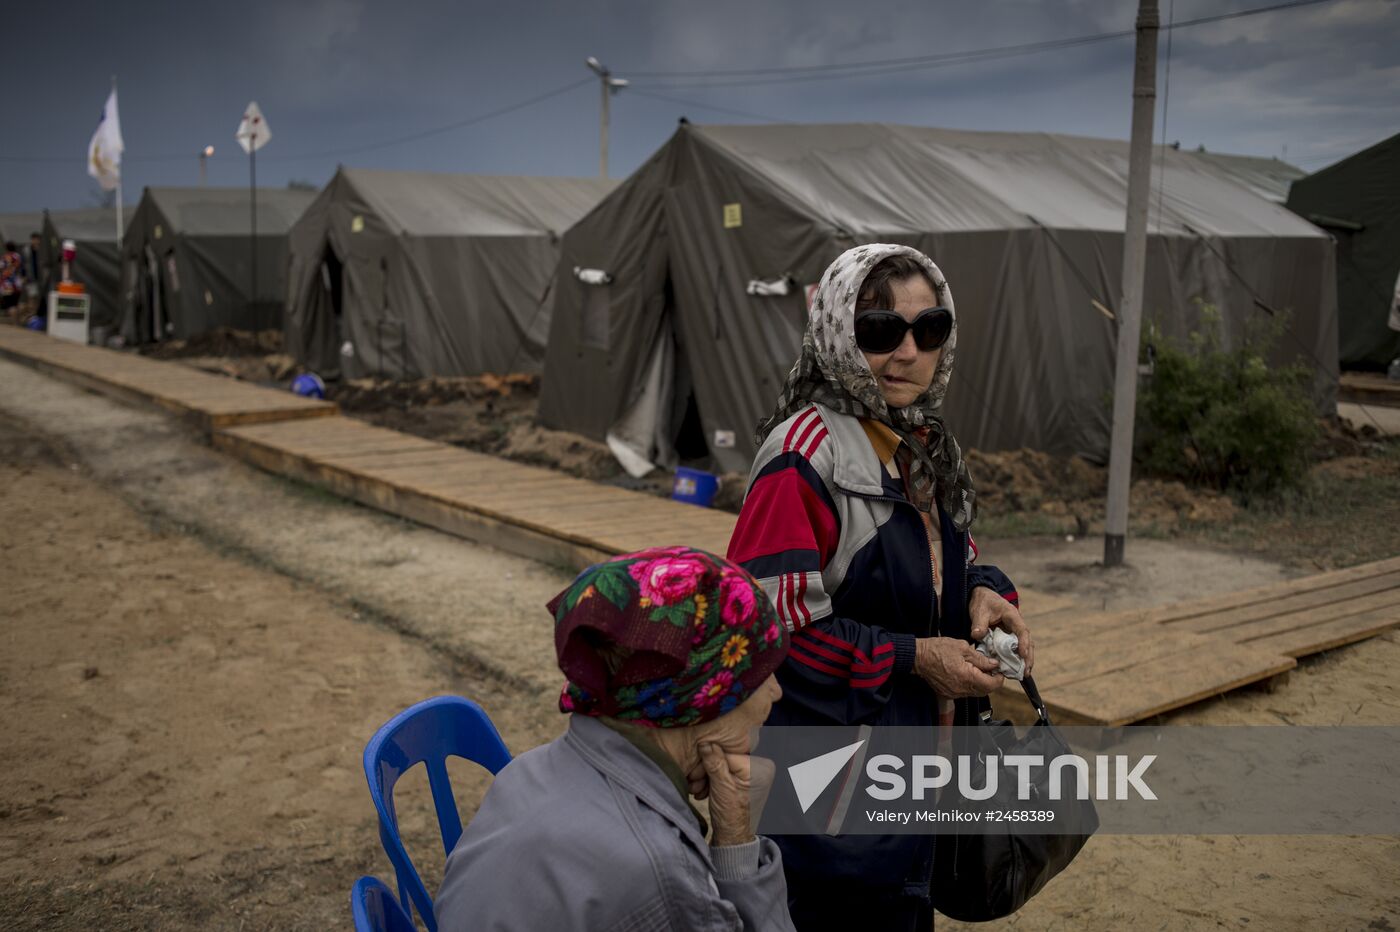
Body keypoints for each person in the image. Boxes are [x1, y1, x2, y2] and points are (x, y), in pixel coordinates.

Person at [728, 244, 1033, 930]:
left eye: (929, 330)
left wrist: (984, 590)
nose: (906, 353)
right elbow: (764, 635)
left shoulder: (922, 444)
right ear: (837, 331)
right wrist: (913, 657)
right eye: (879, 330)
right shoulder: (803, 456)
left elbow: (942, 563)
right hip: (830, 808)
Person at [435, 546, 797, 932]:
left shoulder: (529, 769)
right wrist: (739, 841)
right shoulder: (656, 869)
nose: (775, 692)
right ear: (702, 701)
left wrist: (732, 831)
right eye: (762, 675)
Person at [1, 241, 23, 323]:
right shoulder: (18, 256)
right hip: (17, 283)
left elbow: (1, 268)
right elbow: (21, 268)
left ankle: (15, 323)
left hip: (7, 284)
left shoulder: (4, 257)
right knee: (16, 303)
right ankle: (18, 321)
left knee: (10, 304)